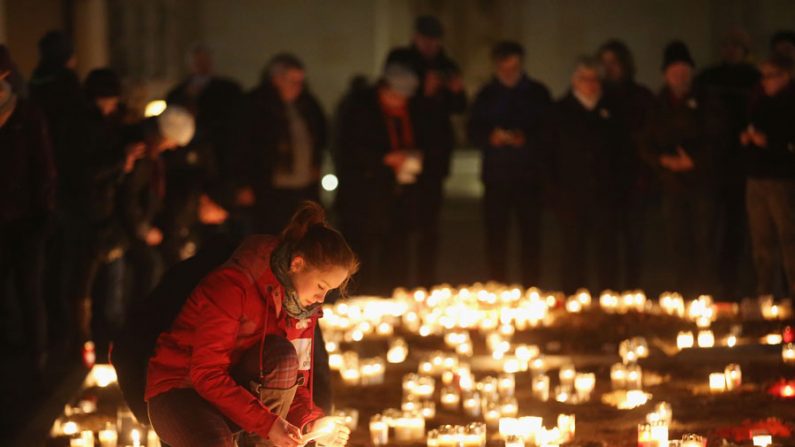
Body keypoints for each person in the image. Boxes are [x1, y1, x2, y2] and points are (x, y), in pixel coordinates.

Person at [145, 202, 357, 447]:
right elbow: (206, 374)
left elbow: (292, 381)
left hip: (234, 392)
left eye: (328, 291)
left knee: (283, 357)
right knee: (216, 442)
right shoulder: (233, 286)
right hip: (182, 389)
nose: (321, 299)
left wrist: (311, 421)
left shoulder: (301, 311)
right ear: (297, 264)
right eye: (321, 286)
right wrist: (268, 424)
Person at [640, 41, 726, 297]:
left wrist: (695, 161)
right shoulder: (658, 104)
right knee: (678, 245)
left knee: (705, 243)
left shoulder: (707, 100)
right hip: (672, 186)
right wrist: (662, 161)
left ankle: (707, 296)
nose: (679, 76)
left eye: (684, 71)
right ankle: (684, 296)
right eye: (674, 71)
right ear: (665, 74)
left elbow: (720, 138)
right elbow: (644, 141)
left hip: (702, 185)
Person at [334, 49, 423, 293]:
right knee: (363, 257)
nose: (401, 103)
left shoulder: (405, 113)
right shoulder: (359, 109)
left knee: (395, 256)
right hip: (365, 198)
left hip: (397, 198)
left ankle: (391, 299)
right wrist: (383, 159)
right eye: (396, 97)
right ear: (384, 90)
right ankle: (361, 303)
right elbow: (347, 150)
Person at [468, 41, 551, 285]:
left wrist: (526, 138)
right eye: (504, 68)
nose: (509, 73)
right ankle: (498, 286)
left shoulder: (537, 93)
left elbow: (549, 131)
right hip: (497, 176)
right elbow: (473, 130)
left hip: (529, 176)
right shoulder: (486, 95)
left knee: (531, 236)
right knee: (496, 236)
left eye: (513, 67)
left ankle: (531, 286)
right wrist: (489, 137)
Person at [395, 15, 467, 287]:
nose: (430, 45)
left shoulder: (447, 65)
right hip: (408, 147)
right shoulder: (402, 59)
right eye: (425, 39)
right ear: (416, 37)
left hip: (435, 155)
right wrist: (421, 91)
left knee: (430, 225)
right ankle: (398, 280)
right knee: (401, 222)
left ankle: (426, 282)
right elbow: (397, 99)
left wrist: (456, 91)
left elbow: (459, 107)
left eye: (434, 40)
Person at [69, 68, 135, 355]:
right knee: (84, 278)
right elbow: (85, 173)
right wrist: (122, 162)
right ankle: (83, 340)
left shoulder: (109, 125)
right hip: (85, 211)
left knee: (108, 276)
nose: (111, 107)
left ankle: (104, 337)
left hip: (104, 211)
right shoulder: (83, 127)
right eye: (107, 100)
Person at [545, 57, 624, 294]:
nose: (590, 85)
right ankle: (574, 300)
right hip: (570, 195)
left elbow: (621, 153)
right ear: (574, 81)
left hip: (604, 194)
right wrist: (554, 192)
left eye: (595, 79)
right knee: (572, 251)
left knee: (606, 251)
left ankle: (607, 301)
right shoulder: (559, 111)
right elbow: (548, 155)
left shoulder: (612, 111)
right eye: (585, 79)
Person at [0, 60, 57, 377]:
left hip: (26, 218)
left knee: (29, 286)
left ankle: (37, 353)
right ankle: (11, 348)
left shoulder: (25, 114)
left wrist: (43, 213)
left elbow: (44, 166)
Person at [696, 28, 760, 300]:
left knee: (738, 229)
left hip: (742, 166)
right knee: (708, 228)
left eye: (737, 45)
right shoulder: (708, 79)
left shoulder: (754, 80)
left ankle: (734, 285)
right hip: (712, 165)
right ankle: (707, 284)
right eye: (727, 44)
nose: (730, 49)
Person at [241, 53, 327, 235]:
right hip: (270, 190)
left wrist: (316, 166)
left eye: (300, 81)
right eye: (292, 81)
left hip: (303, 187)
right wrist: (244, 184)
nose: (298, 87)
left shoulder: (307, 105)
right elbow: (242, 146)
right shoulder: (255, 105)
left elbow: (320, 136)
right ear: (276, 79)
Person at [120, 106, 195, 304]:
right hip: (125, 229)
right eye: (173, 141)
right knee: (148, 266)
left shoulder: (152, 156)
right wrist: (142, 229)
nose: (174, 147)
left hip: (137, 225)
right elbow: (129, 194)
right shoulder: (142, 153)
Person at [597, 39, 656, 290]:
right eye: (605, 63)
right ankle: (609, 292)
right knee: (607, 242)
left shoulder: (640, 96)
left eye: (614, 62)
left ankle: (633, 291)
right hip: (606, 181)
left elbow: (650, 134)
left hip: (634, 180)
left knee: (634, 241)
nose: (610, 68)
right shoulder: (598, 97)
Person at [165, 43, 243, 225]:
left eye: (204, 60)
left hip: (220, 163)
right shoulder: (178, 93)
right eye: (196, 61)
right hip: (186, 168)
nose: (201, 65)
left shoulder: (228, 91)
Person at [740, 55, 795, 298]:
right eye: (763, 76)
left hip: (781, 179)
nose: (765, 82)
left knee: (788, 238)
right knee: (761, 240)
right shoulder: (759, 102)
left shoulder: (790, 103)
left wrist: (771, 143)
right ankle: (766, 293)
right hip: (757, 177)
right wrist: (748, 139)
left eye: (771, 76)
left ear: (786, 76)